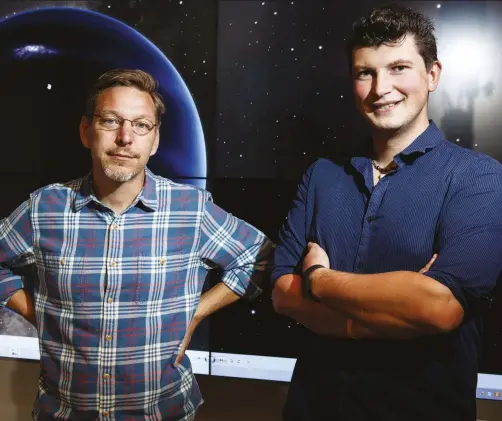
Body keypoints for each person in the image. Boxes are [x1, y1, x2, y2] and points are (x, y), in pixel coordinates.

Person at [0, 68, 272, 421]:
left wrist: (196, 313)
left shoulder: (191, 210)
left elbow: (259, 256)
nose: (125, 137)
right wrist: (38, 313)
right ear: (86, 131)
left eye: (141, 125)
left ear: (154, 141)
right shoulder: (45, 208)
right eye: (111, 121)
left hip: (162, 413)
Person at [272, 4, 502, 421]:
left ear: (432, 75)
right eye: (366, 73)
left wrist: (319, 280)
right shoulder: (322, 175)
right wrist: (386, 314)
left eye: (398, 68)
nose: (381, 88)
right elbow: (282, 293)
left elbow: (439, 307)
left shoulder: (479, 178)